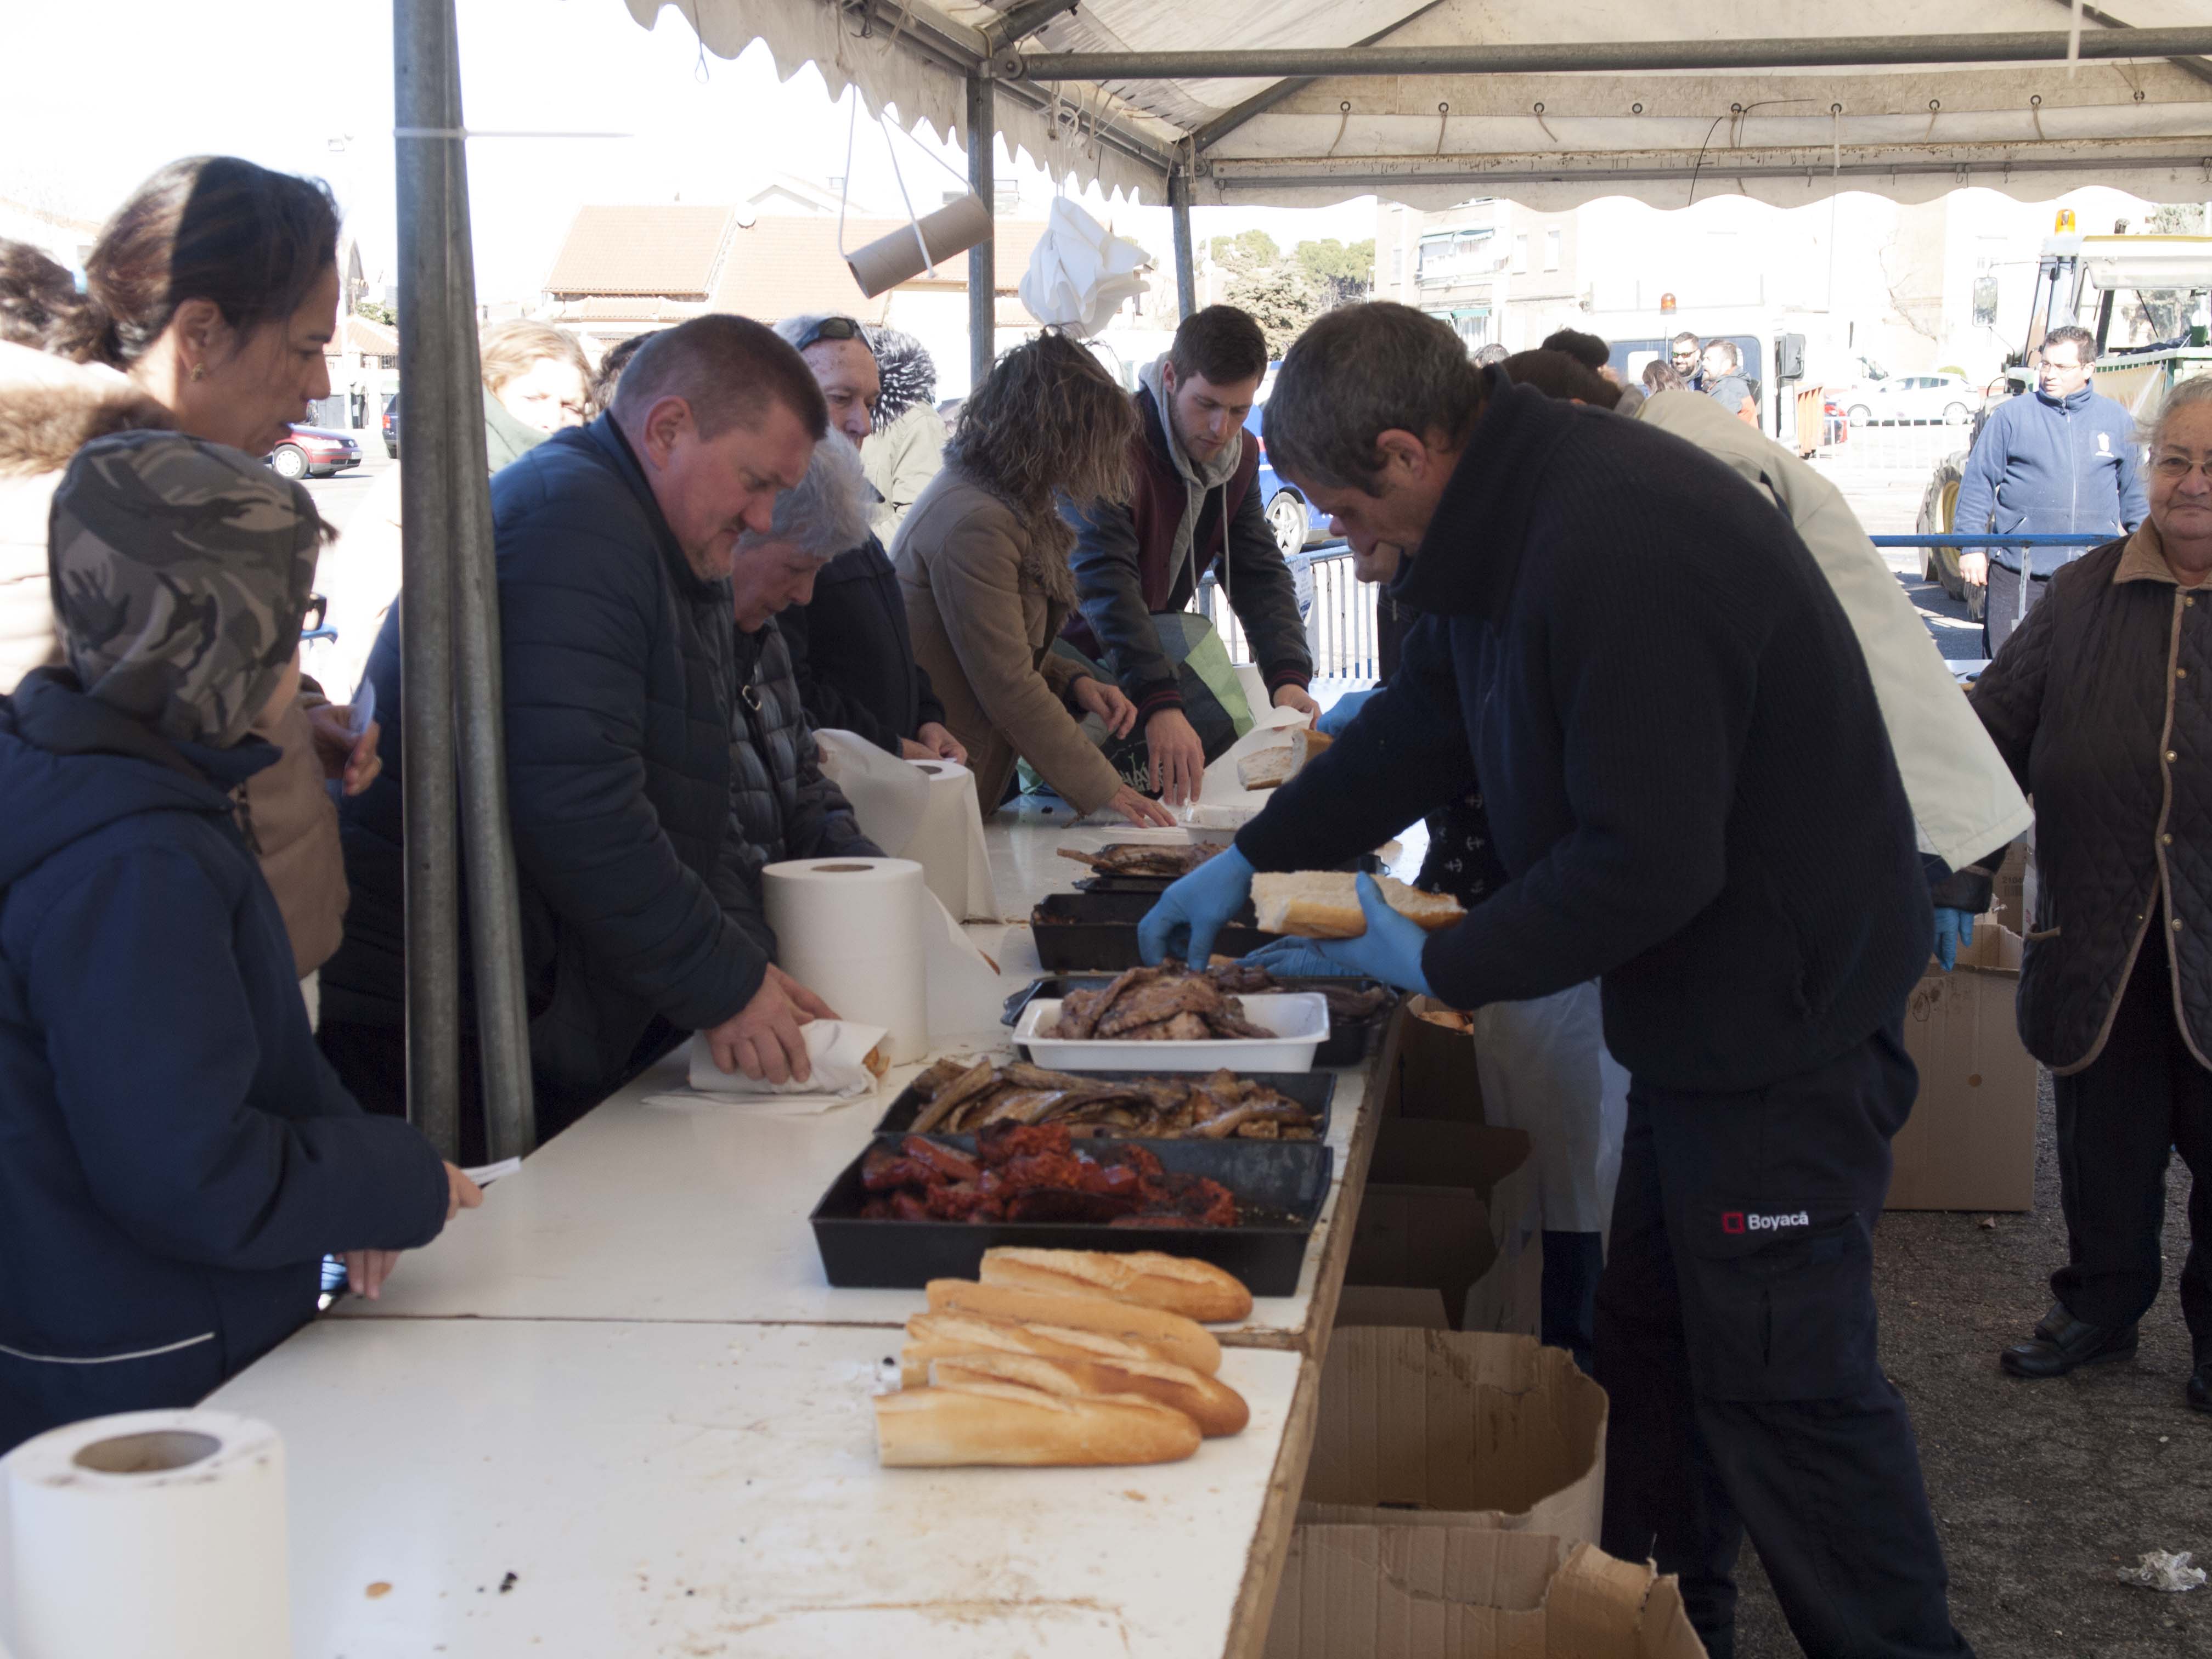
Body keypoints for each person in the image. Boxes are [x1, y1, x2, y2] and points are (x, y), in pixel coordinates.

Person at [1141, 303, 1970, 1659]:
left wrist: (1439, 956)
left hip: (1780, 1019)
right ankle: (1671, 1616)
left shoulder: (1613, 537)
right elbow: (1427, 720)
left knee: (1785, 1388)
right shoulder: (1500, 525)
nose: (1354, 546)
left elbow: (1648, 863)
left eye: (1350, 511)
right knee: (1653, 1340)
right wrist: (1257, 859)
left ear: (1408, 452)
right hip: (1698, 1023)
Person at [0, 431, 477, 1453]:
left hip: (101, 1338)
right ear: (220, 647)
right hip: (151, 1375)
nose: (302, 664)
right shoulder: (134, 860)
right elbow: (185, 1167)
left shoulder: (91, 782)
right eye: (291, 629)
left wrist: (343, 1170)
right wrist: (390, 1178)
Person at [319, 314, 839, 1151]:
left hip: (527, 991)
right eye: (754, 481)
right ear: (667, 429)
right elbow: (577, 799)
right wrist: (724, 981)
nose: (766, 517)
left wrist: (747, 962)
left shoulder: (664, 538)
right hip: (451, 1014)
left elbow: (694, 803)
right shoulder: (577, 523)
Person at [0, 158, 379, 1006]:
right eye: (308, 348)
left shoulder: (173, 516)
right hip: (165, 1013)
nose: (322, 387)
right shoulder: (58, 522)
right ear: (201, 333)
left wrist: (285, 714)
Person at [1936, 375, 2212, 1411]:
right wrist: (1960, 872)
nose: (2191, 484)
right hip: (2099, 918)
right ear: (2144, 468)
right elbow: (1988, 735)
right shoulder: (2083, 593)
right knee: (2104, 1135)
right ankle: (2099, 1304)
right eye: (2174, 459)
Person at [897, 331, 1173, 828]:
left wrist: (1077, 683)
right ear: (1052, 436)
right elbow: (1007, 683)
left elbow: (1001, 646)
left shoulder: (999, 502)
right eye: (1090, 443)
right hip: (943, 784)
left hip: (964, 772)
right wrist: (1110, 789)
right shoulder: (977, 521)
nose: (1097, 461)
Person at [1062, 306, 1317, 806]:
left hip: (1146, 663)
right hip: (1071, 669)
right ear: (1171, 377)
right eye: (1207, 404)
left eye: (1240, 410)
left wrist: (1288, 677)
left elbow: (1258, 573)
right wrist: (1161, 704)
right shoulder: (1107, 444)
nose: (1222, 428)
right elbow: (1104, 582)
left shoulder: (1239, 457)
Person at [317, 318, 592, 698]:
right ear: (491, 395)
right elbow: (377, 641)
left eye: (570, 406)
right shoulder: (427, 486)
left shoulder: (572, 498)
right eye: (534, 399)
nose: (552, 420)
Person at [770, 313, 964, 764]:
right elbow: (788, 688)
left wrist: (928, 718)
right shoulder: (771, 528)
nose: (864, 424)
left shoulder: (852, 513)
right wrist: (889, 747)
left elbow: (890, 644)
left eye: (871, 402)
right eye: (841, 399)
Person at [724, 431, 884, 873]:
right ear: (740, 530)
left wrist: (864, 871)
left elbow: (805, 784)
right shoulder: (676, 641)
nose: (805, 595)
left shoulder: (765, 634)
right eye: (796, 568)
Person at [1955, 323, 2148, 654]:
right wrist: (1972, 546)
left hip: (2093, 574)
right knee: (2008, 674)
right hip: (2018, 573)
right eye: (2045, 364)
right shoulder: (2011, 417)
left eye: (2062, 367)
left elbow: (2136, 495)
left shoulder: (2116, 420)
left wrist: (2149, 552)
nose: (2049, 374)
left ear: (2088, 369)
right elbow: (1978, 481)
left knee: (2086, 673)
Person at [861, 324, 947, 540]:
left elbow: (922, 521)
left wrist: (840, 556)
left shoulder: (916, 421)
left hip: (884, 570)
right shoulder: (825, 421)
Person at [1700, 338, 1757, 424]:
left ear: (1726, 364)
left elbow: (1718, 430)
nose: (1703, 363)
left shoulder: (1728, 389)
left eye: (1709, 359)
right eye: (1704, 359)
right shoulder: (1728, 385)